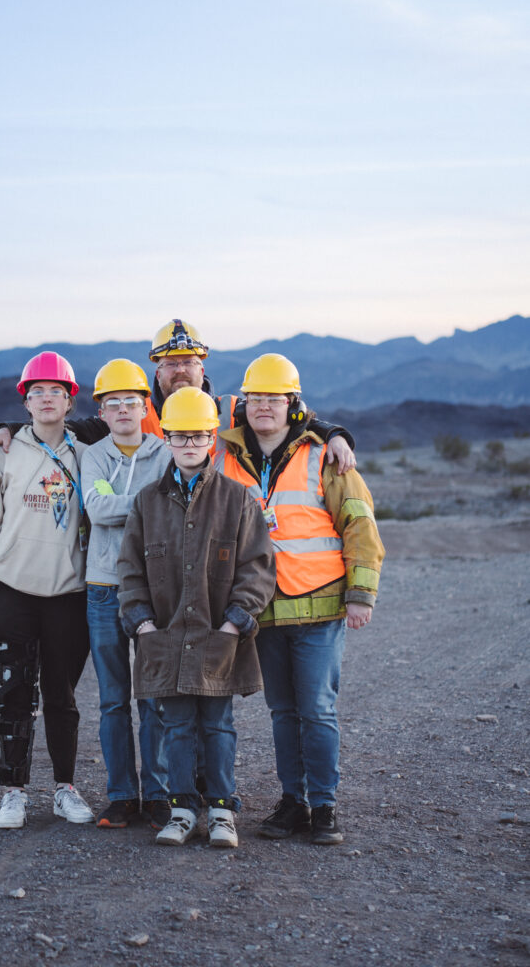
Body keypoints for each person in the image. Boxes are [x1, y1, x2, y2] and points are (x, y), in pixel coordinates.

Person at [214, 353, 385, 844]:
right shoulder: (225, 456)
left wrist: (361, 594)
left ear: (293, 405)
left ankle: (324, 806)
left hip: (319, 605)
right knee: (282, 711)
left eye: (275, 398)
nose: (263, 406)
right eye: (255, 399)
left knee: (317, 708)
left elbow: (360, 526)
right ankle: (293, 801)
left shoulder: (324, 457)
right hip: (262, 609)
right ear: (242, 406)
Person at [117, 387, 277, 849]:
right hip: (165, 635)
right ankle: (183, 810)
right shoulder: (147, 502)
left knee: (219, 724)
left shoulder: (238, 500)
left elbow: (258, 566)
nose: (190, 444)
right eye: (180, 436)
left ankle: (223, 811)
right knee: (178, 724)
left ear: (213, 440)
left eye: (200, 436)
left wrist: (234, 623)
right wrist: (144, 624)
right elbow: (130, 570)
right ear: (166, 438)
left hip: (219, 636)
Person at [0, 351, 95, 829]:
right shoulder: (3, 453)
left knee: (62, 696)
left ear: (69, 400)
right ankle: (13, 792)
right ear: (25, 401)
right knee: (14, 695)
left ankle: (65, 788)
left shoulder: (88, 454)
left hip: (68, 596)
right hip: (12, 593)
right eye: (36, 392)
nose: (45, 399)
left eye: (55, 391)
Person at [0, 318, 357, 474]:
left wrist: (333, 433)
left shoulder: (230, 411)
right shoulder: (129, 412)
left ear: (202, 367)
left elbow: (283, 415)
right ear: (156, 370)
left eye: (188, 362)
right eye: (170, 362)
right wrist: (11, 428)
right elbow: (62, 428)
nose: (180, 369)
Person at [80, 359, 172, 830]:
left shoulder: (166, 452)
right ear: (100, 409)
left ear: (145, 406)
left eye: (130, 402)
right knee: (113, 698)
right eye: (111, 403)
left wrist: (134, 504)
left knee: (153, 696)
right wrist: (148, 500)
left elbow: (174, 507)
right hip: (103, 589)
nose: (121, 410)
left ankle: (157, 794)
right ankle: (121, 795)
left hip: (154, 588)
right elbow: (96, 508)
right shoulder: (93, 456)